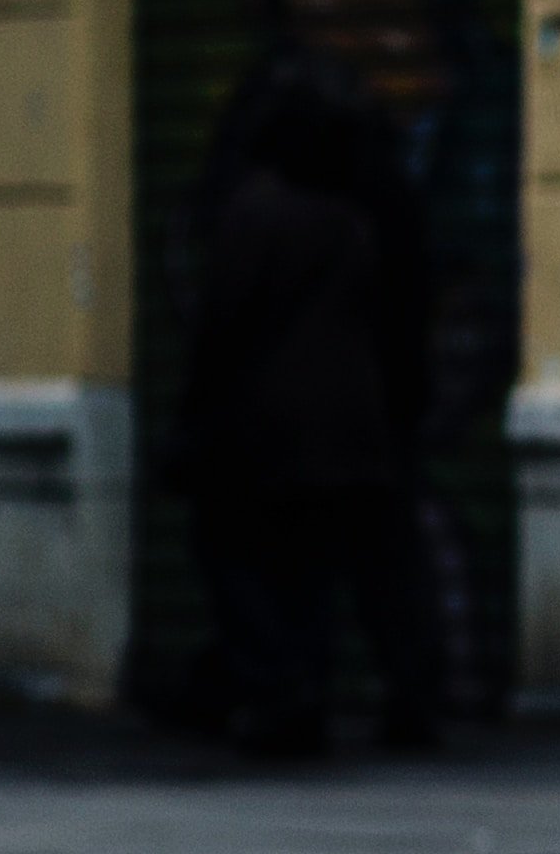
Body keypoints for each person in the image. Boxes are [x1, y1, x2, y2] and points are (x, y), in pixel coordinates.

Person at [181, 59, 444, 756]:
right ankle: (385, 694)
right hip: (359, 424)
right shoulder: (363, 209)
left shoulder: (260, 208)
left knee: (253, 558)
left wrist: (194, 414)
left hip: (272, 427)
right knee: (339, 567)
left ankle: (284, 693)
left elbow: (223, 323)